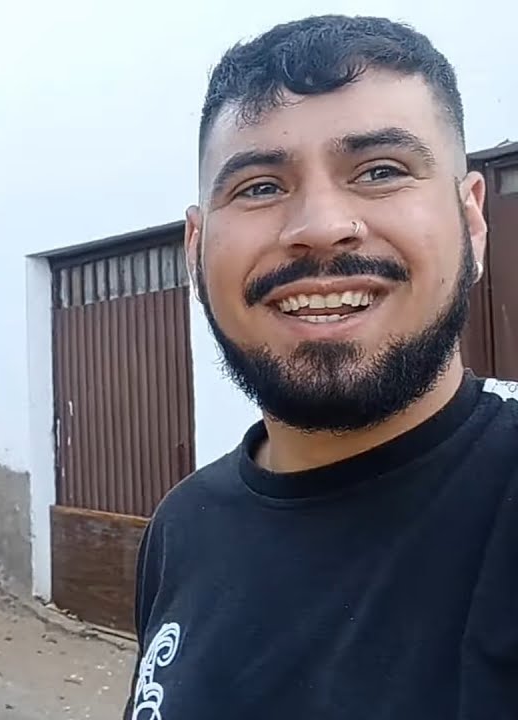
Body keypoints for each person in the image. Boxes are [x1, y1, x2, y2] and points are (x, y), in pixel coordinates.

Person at [124, 15, 517, 720]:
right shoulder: (182, 527)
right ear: (195, 249)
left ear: (472, 220)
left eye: (381, 171)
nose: (320, 227)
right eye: (259, 187)